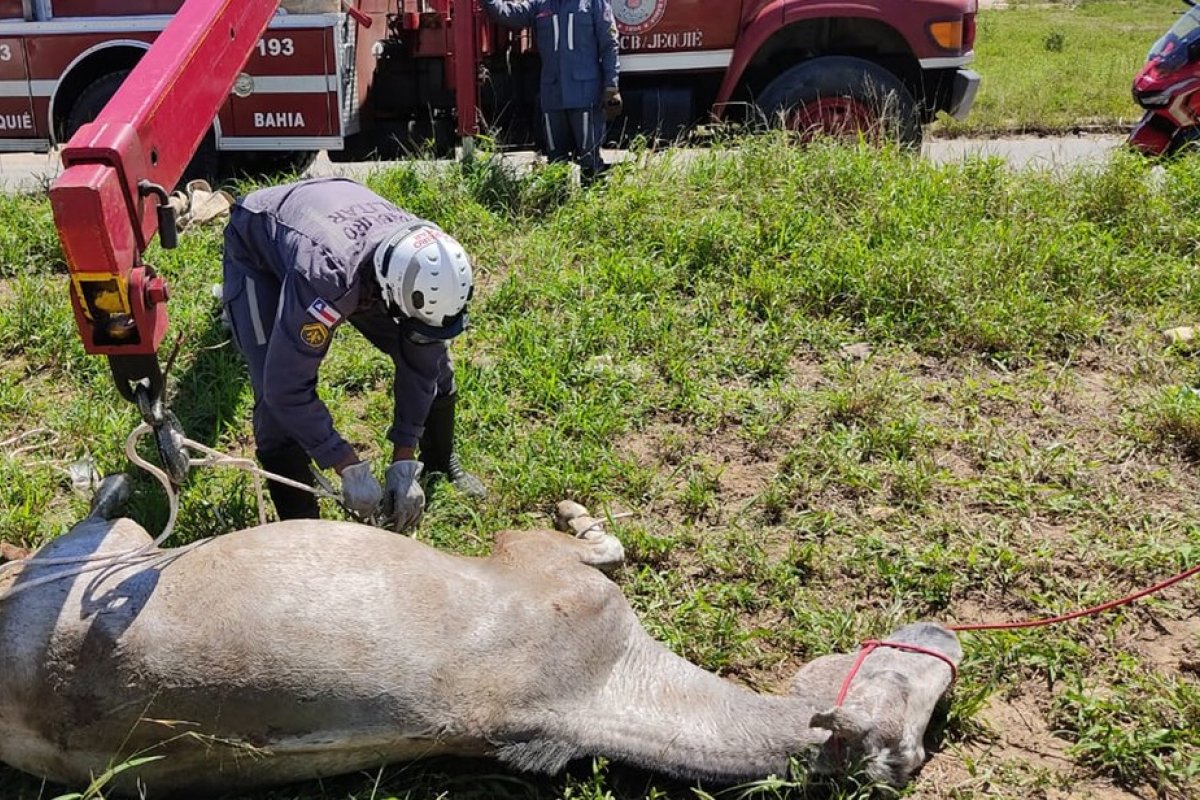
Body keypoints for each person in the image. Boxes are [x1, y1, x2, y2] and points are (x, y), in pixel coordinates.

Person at [220, 177, 485, 532]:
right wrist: (347, 465)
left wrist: (404, 461)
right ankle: (300, 522)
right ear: (388, 295)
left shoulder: (429, 257)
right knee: (272, 398)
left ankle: (438, 461)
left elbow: (422, 365)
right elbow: (287, 389)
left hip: (353, 245)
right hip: (258, 245)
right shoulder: (326, 278)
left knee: (436, 364)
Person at [481, 0, 622, 183]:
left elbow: (609, 45)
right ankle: (558, 208)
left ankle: (594, 208)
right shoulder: (540, 5)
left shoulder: (594, 4)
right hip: (553, 96)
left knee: (590, 160)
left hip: (586, 95)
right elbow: (507, 13)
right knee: (556, 163)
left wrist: (611, 86)